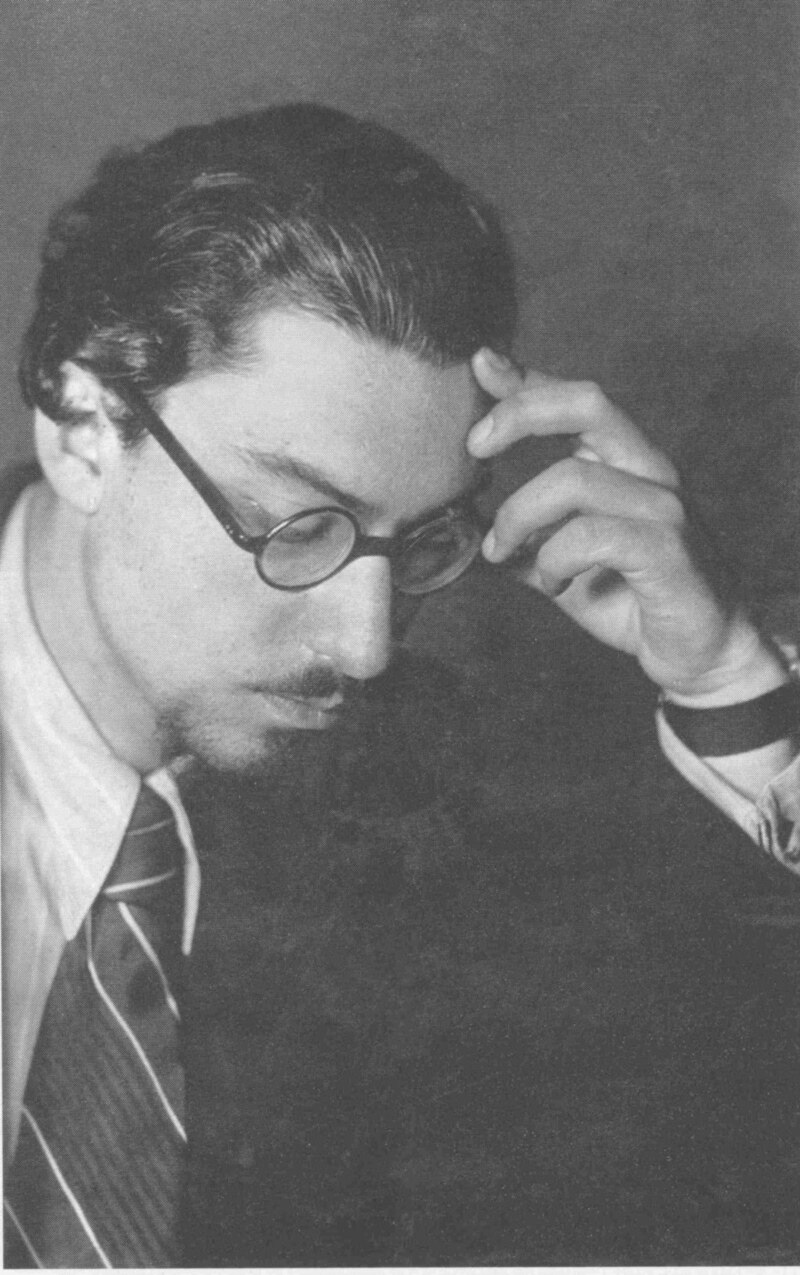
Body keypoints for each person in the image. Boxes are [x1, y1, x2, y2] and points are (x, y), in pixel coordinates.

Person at [1, 103, 798, 1267]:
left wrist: (728, 681)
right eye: (297, 526)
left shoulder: (455, 788)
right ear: (84, 426)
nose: (367, 644)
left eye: (422, 543)